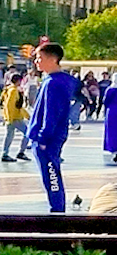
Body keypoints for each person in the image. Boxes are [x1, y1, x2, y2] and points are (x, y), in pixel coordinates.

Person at [27, 43, 73, 212]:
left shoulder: (54, 83)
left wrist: (43, 138)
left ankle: (57, 210)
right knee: (50, 173)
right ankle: (57, 207)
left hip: (48, 139)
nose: (36, 62)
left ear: (53, 59)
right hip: (48, 137)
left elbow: (51, 113)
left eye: (40, 58)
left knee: (51, 174)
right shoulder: (53, 80)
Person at [2, 72, 28, 162]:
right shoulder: (13, 91)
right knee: (27, 133)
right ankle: (21, 152)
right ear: (18, 81)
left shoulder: (9, 89)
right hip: (15, 117)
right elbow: (10, 105)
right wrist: (10, 118)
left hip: (12, 117)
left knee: (9, 136)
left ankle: (5, 154)